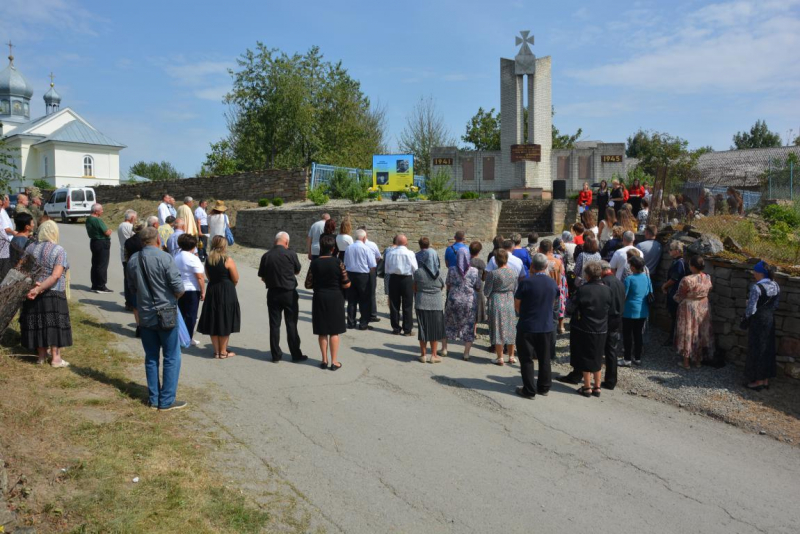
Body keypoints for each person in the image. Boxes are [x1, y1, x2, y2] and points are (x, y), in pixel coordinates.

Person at [127, 226, 187, 411]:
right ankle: (167, 400)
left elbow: (132, 288)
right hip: (166, 312)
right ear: (158, 240)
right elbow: (179, 287)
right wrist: (172, 298)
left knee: (151, 357)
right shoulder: (164, 257)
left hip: (145, 314)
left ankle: (154, 399)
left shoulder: (133, 260)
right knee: (171, 356)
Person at [18, 221, 72, 368]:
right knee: (54, 324)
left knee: (38, 323)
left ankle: (41, 356)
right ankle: (56, 359)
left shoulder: (30, 247)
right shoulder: (59, 250)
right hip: (53, 292)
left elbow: (21, 268)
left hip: (33, 291)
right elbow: (55, 276)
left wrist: (34, 286)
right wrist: (40, 288)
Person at [257, 231, 306, 363]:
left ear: (275, 241)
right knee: (291, 324)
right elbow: (297, 270)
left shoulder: (266, 256)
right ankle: (295, 353)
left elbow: (262, 277)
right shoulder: (291, 254)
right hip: (289, 292)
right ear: (286, 242)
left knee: (274, 325)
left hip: (273, 293)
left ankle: (275, 355)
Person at [514, 253, 558, 398]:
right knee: (544, 358)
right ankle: (544, 386)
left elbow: (517, 305)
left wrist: (525, 314)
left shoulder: (526, 283)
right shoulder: (552, 283)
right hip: (545, 326)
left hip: (527, 325)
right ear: (546, 267)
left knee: (526, 359)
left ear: (532, 266)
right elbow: (553, 302)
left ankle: (529, 389)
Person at [305, 234, 350, 370]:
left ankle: (324, 360)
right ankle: (334, 361)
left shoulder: (315, 263)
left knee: (322, 331)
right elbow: (346, 283)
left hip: (319, 297)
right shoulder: (338, 263)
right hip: (336, 298)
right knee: (334, 332)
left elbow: (308, 284)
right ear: (332, 249)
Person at [567, 261, 611, 398]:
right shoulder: (607, 289)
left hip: (585, 327)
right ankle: (597, 386)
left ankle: (587, 387)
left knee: (585, 356)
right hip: (602, 327)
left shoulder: (583, 290)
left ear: (588, 275)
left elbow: (570, 308)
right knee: (598, 356)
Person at [197, 236, 241, 359]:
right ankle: (223, 352)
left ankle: (216, 351)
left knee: (214, 319)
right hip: (226, 290)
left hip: (213, 290)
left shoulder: (209, 260)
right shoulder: (228, 260)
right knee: (225, 319)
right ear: (224, 246)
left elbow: (209, 277)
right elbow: (236, 278)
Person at [743, 261, 780, 391]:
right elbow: (776, 305)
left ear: (759, 273)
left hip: (758, 321)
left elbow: (751, 310)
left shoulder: (756, 288)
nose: (753, 273)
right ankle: (765, 379)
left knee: (757, 349)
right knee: (767, 349)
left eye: (754, 271)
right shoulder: (775, 285)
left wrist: (746, 313)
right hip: (769, 319)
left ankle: (757, 381)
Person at [674, 255, 713, 369]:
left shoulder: (687, 279)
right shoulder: (707, 277)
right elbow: (709, 289)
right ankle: (697, 361)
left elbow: (680, 295)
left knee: (688, 332)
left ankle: (686, 362)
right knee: (700, 332)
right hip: (703, 306)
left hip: (689, 307)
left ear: (692, 266)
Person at [445, 247, 482, 360]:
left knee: (448, 323)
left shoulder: (451, 269)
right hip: (469, 301)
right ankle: (466, 353)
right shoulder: (474, 271)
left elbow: (448, 284)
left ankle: (444, 349)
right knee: (469, 325)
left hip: (453, 299)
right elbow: (478, 286)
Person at [413, 239, 445, 363]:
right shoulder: (439, 273)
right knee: (434, 329)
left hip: (421, 301)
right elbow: (441, 286)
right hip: (436, 303)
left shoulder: (418, 272)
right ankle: (434, 355)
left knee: (423, 328)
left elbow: (414, 288)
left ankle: (423, 354)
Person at [484, 249, 517, 366]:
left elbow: (486, 291)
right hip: (509, 300)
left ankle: (500, 357)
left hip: (497, 301)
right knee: (510, 328)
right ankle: (512, 356)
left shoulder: (493, 273)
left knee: (498, 328)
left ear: (496, 260)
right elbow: (515, 288)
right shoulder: (513, 273)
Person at [620, 256, 651, 367]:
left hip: (629, 310)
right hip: (643, 310)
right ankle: (637, 358)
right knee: (638, 334)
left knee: (627, 335)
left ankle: (627, 359)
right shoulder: (647, 278)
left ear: (633, 267)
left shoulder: (629, 279)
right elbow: (649, 292)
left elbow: (624, 295)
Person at [174, 234, 205, 345]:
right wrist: (203, 291)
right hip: (191, 289)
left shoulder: (176, 256)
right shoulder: (193, 258)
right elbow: (200, 277)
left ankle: (179, 336)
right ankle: (188, 338)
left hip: (179, 288)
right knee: (191, 316)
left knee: (181, 314)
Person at [385, 234, 418, 335]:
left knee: (394, 304)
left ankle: (396, 328)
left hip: (394, 278)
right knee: (407, 304)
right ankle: (407, 329)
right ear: (406, 243)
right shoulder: (410, 253)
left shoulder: (390, 253)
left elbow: (386, 269)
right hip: (406, 279)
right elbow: (415, 268)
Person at [344, 229, 377, 330]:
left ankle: (351, 322)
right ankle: (363, 323)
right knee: (364, 300)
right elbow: (373, 264)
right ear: (364, 237)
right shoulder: (366, 249)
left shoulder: (349, 248)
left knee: (352, 300)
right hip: (363, 276)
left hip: (350, 274)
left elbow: (345, 262)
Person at [661, 241, 687, 346]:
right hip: (675, 292)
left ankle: (673, 339)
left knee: (675, 317)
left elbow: (674, 278)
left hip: (675, 294)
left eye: (671, 250)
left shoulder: (679, 263)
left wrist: (664, 286)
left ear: (677, 251)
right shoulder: (678, 262)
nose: (669, 252)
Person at [85, 203, 113, 293]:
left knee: (95, 264)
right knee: (102, 264)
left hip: (94, 241)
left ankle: (95, 284)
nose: (102, 211)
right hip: (102, 242)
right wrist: (110, 230)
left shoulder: (88, 219)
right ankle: (101, 285)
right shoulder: (97, 220)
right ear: (96, 211)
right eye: (101, 210)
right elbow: (107, 232)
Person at [360, 225, 383, 323]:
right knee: (371, 292)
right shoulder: (372, 245)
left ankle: (365, 314)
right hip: (371, 270)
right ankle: (372, 314)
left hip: (361, 270)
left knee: (363, 292)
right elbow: (378, 257)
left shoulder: (354, 245)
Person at [118, 210, 138, 309]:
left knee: (127, 279)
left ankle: (128, 302)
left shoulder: (121, 225)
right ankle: (131, 302)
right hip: (129, 254)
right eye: (135, 218)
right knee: (131, 280)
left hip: (124, 254)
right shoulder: (129, 227)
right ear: (132, 218)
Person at [468, 241, 486, 331]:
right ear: (479, 251)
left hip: (468, 286)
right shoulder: (481, 263)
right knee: (477, 308)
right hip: (478, 288)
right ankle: (474, 329)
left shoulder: (467, 262)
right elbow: (484, 277)